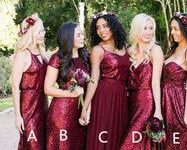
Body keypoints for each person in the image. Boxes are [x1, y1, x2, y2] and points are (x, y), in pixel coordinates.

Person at [80, 11, 131, 150]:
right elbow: (93, 79)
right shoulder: (98, 50)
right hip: (104, 97)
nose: (101, 30)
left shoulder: (126, 48)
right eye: (98, 27)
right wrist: (85, 107)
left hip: (121, 98)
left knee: (119, 136)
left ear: (114, 26)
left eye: (105, 26)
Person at [120, 13, 164, 150]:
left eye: (151, 28)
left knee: (128, 144)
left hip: (147, 103)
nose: (149, 32)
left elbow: (156, 82)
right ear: (137, 29)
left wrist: (158, 110)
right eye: (145, 28)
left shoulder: (156, 50)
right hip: (130, 104)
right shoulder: (129, 52)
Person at [45, 22, 90, 150]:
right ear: (68, 37)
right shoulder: (57, 58)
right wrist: (72, 93)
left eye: (82, 34)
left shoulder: (85, 57)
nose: (82, 37)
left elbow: (89, 88)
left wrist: (86, 110)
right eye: (79, 35)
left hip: (80, 113)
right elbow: (48, 88)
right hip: (62, 114)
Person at [161, 12, 187, 150]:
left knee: (175, 143)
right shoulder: (173, 49)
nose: (172, 32)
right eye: (171, 28)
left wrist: (185, 115)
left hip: (177, 103)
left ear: (185, 30)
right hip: (162, 100)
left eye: (175, 29)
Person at [12, 13, 48, 150]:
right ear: (31, 32)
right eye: (39, 31)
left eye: (43, 30)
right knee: (32, 144)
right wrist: (18, 116)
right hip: (28, 108)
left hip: (43, 106)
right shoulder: (22, 54)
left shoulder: (43, 54)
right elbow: (15, 87)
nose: (42, 34)